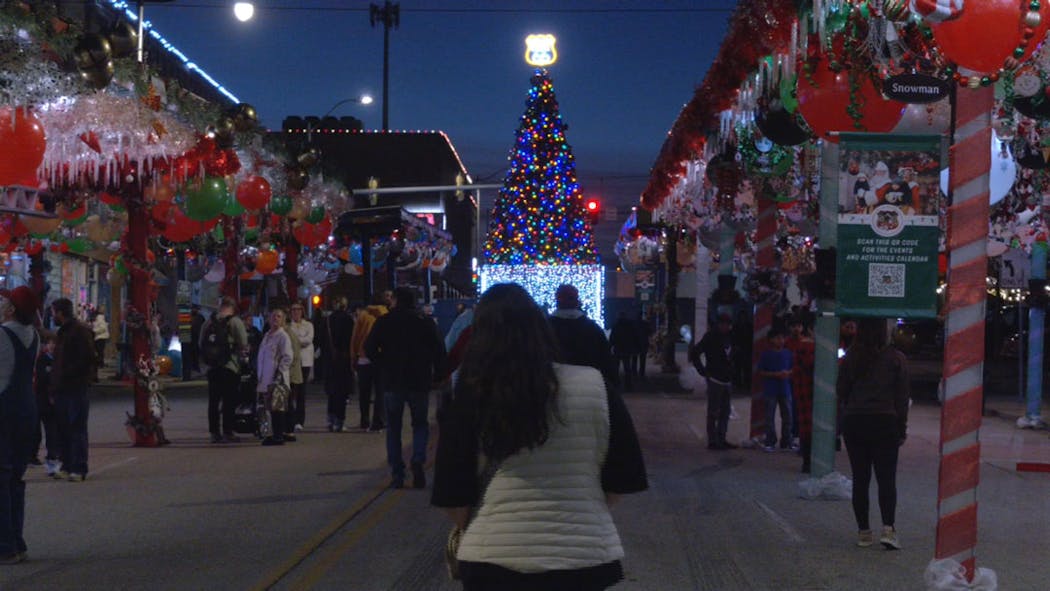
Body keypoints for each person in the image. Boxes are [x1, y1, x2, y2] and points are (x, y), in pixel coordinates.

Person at [432, 283, 648, 590]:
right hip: (584, 560)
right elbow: (624, 478)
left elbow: (451, 493)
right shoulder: (595, 385)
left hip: (493, 562)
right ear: (541, 329)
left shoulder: (472, 393)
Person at [837, 318, 909, 550]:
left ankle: (863, 532)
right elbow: (901, 397)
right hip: (885, 421)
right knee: (886, 479)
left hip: (855, 421)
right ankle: (888, 529)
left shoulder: (850, 357)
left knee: (861, 478)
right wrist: (901, 427)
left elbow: (841, 391)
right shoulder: (896, 359)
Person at [364, 287, 445, 489]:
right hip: (419, 381)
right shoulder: (425, 322)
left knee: (394, 428)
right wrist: (438, 375)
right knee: (420, 424)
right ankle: (418, 459)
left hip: (393, 381)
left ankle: (397, 473)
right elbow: (439, 350)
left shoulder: (385, 321)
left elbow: (369, 348)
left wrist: (384, 363)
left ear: (397, 301)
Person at [0, 287, 39, 563]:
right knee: (15, 479)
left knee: (1, 479)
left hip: (4, 410)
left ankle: (5, 545)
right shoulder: (34, 336)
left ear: (12, 309)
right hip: (27, 410)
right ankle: (17, 540)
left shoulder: (2, 334)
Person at [50, 297, 94, 482]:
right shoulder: (64, 332)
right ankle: (67, 465)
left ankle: (79, 467)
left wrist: (68, 374)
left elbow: (87, 358)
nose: (52, 315)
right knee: (64, 428)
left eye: (53, 312)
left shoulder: (79, 331)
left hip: (75, 386)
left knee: (76, 428)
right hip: (62, 387)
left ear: (60, 313)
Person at [548, 284, 616, 387]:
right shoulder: (593, 328)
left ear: (557, 300)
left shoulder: (544, 328)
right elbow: (606, 362)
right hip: (587, 384)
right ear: (577, 301)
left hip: (553, 385)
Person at [200, 297, 248, 444]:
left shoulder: (208, 322)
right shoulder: (235, 321)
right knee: (229, 400)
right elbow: (243, 343)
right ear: (233, 307)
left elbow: (201, 342)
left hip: (212, 367)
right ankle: (228, 431)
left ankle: (214, 432)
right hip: (230, 366)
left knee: (213, 401)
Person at [689, 313, 737, 450]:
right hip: (715, 378)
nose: (726, 327)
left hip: (727, 378)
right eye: (723, 324)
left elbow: (732, 353)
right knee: (714, 411)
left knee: (725, 412)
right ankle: (713, 440)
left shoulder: (730, 337)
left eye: (728, 324)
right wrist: (703, 371)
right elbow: (695, 352)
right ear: (718, 324)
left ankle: (721, 438)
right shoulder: (710, 337)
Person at [350, 291, 390, 431]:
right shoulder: (385, 314)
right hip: (380, 357)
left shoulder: (363, 315)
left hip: (363, 358)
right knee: (380, 391)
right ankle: (378, 421)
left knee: (364, 393)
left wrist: (354, 355)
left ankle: (364, 421)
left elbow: (355, 337)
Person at [256, 308, 294, 446]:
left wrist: (279, 373)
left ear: (283, 319)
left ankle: (278, 436)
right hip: (266, 377)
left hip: (277, 378)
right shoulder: (267, 335)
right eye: (273, 316)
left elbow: (288, 357)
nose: (275, 319)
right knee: (270, 407)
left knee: (278, 407)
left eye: (279, 316)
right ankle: (274, 433)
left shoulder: (283, 336)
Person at [786, 316, 816, 472]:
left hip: (804, 391)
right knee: (810, 427)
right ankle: (809, 460)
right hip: (808, 392)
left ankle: (808, 461)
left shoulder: (803, 347)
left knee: (807, 426)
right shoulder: (808, 348)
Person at [757, 328, 793, 453]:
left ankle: (787, 441)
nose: (780, 340)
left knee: (787, 416)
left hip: (785, 388)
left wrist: (787, 373)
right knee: (769, 417)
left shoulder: (788, 353)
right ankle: (770, 441)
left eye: (782, 338)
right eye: (777, 338)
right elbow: (761, 371)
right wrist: (775, 374)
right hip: (770, 389)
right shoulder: (766, 354)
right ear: (771, 339)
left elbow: (794, 369)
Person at [324, 296, 354, 432]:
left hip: (331, 358)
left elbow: (323, 339)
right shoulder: (348, 319)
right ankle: (340, 420)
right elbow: (351, 339)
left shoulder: (329, 320)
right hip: (344, 358)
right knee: (342, 391)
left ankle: (330, 418)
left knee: (332, 390)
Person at [29, 333, 58, 475]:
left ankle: (52, 455)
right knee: (35, 430)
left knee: (51, 431)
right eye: (50, 343)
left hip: (51, 401)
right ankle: (31, 455)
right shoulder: (42, 359)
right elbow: (41, 378)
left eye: (54, 343)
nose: (52, 346)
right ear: (46, 345)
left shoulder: (58, 360)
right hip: (40, 400)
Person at [287, 301, 314, 433]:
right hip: (293, 362)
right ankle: (290, 419)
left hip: (305, 362)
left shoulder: (308, 325)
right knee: (291, 391)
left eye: (298, 310)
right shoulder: (288, 326)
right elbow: (288, 341)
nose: (296, 312)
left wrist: (296, 340)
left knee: (301, 392)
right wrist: (299, 340)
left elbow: (308, 340)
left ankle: (300, 420)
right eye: (293, 310)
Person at [609, 311, 641, 391]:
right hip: (627, 348)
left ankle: (616, 383)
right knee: (627, 367)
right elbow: (635, 336)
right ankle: (628, 384)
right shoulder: (630, 325)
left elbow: (612, 337)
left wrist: (609, 347)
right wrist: (636, 346)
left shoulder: (616, 325)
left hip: (618, 348)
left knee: (616, 368)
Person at [187, 304, 205, 377]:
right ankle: (194, 368)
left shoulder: (200, 317)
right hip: (191, 338)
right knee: (193, 354)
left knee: (196, 354)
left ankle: (196, 368)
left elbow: (203, 326)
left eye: (195, 309)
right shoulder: (190, 316)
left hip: (196, 338)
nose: (194, 310)